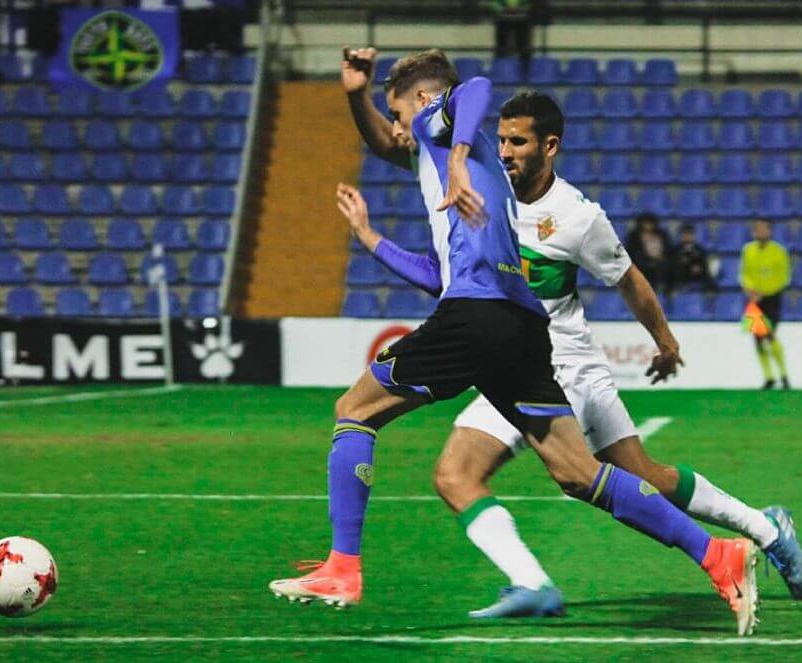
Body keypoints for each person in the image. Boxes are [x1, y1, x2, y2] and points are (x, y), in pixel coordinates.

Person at [270, 49, 760, 637]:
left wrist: (449, 154)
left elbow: (473, 85)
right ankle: (718, 556)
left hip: (475, 318)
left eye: (398, 114)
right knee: (579, 473)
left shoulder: (443, 128)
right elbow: (436, 273)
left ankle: (342, 567)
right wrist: (371, 231)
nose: (398, 131)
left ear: (423, 104)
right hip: (521, 326)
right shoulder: (485, 174)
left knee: (354, 411)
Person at [740, 220, 792, 390]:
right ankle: (769, 376)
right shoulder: (748, 250)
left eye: (764, 229)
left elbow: (784, 277)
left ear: (770, 231)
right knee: (757, 338)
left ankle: (783, 375)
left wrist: (764, 291)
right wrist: (751, 290)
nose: (760, 232)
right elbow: (744, 274)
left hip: (771, 299)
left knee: (770, 335)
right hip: (754, 300)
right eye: (757, 229)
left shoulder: (779, 251)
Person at [626, 212, 672, 292]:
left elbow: (668, 250)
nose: (648, 226)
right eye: (646, 223)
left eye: (650, 223)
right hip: (641, 262)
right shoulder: (634, 236)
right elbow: (631, 251)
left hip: (660, 262)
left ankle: (663, 287)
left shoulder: (662, 235)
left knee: (666, 265)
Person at [671, 223, 716, 292]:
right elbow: (673, 264)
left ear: (693, 235)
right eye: (685, 234)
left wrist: (699, 268)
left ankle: (711, 294)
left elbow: (703, 263)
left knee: (707, 276)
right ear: (681, 236)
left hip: (696, 274)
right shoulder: (675, 250)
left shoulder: (700, 249)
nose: (687, 237)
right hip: (681, 274)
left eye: (689, 234)